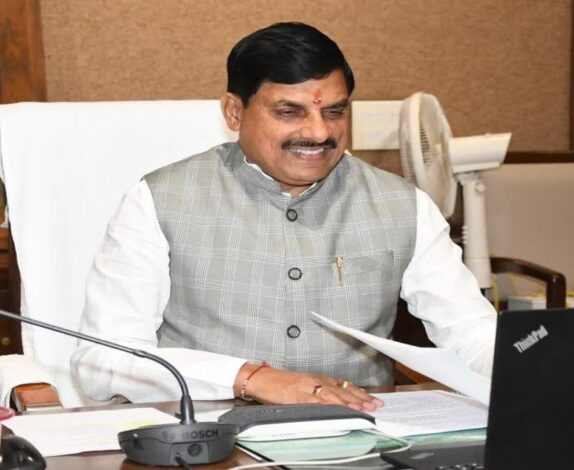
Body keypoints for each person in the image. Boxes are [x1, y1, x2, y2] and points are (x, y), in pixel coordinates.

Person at [71, 22, 496, 412]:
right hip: (207, 438)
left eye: (334, 111)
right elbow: (102, 360)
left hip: (366, 434)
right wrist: (249, 378)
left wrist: (520, 371)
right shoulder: (159, 200)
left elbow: (471, 332)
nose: (318, 132)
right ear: (234, 112)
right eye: (289, 112)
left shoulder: (403, 205)